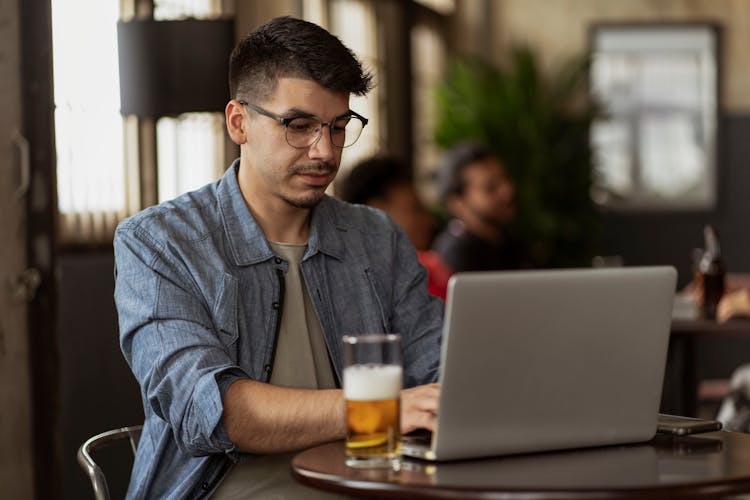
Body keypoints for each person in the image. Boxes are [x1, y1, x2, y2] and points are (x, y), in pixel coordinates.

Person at [113, 16, 442, 499]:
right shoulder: (159, 243)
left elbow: (438, 370)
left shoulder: (377, 238)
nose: (325, 151)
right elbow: (216, 410)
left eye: (338, 126)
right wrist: (380, 408)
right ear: (239, 122)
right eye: (300, 125)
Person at [336, 155, 452, 299]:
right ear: (376, 213)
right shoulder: (351, 290)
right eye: (415, 209)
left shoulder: (427, 268)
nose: (428, 220)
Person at [432, 141, 531, 272]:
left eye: (504, 178)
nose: (507, 191)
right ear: (457, 203)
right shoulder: (454, 257)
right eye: (490, 188)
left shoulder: (511, 242)